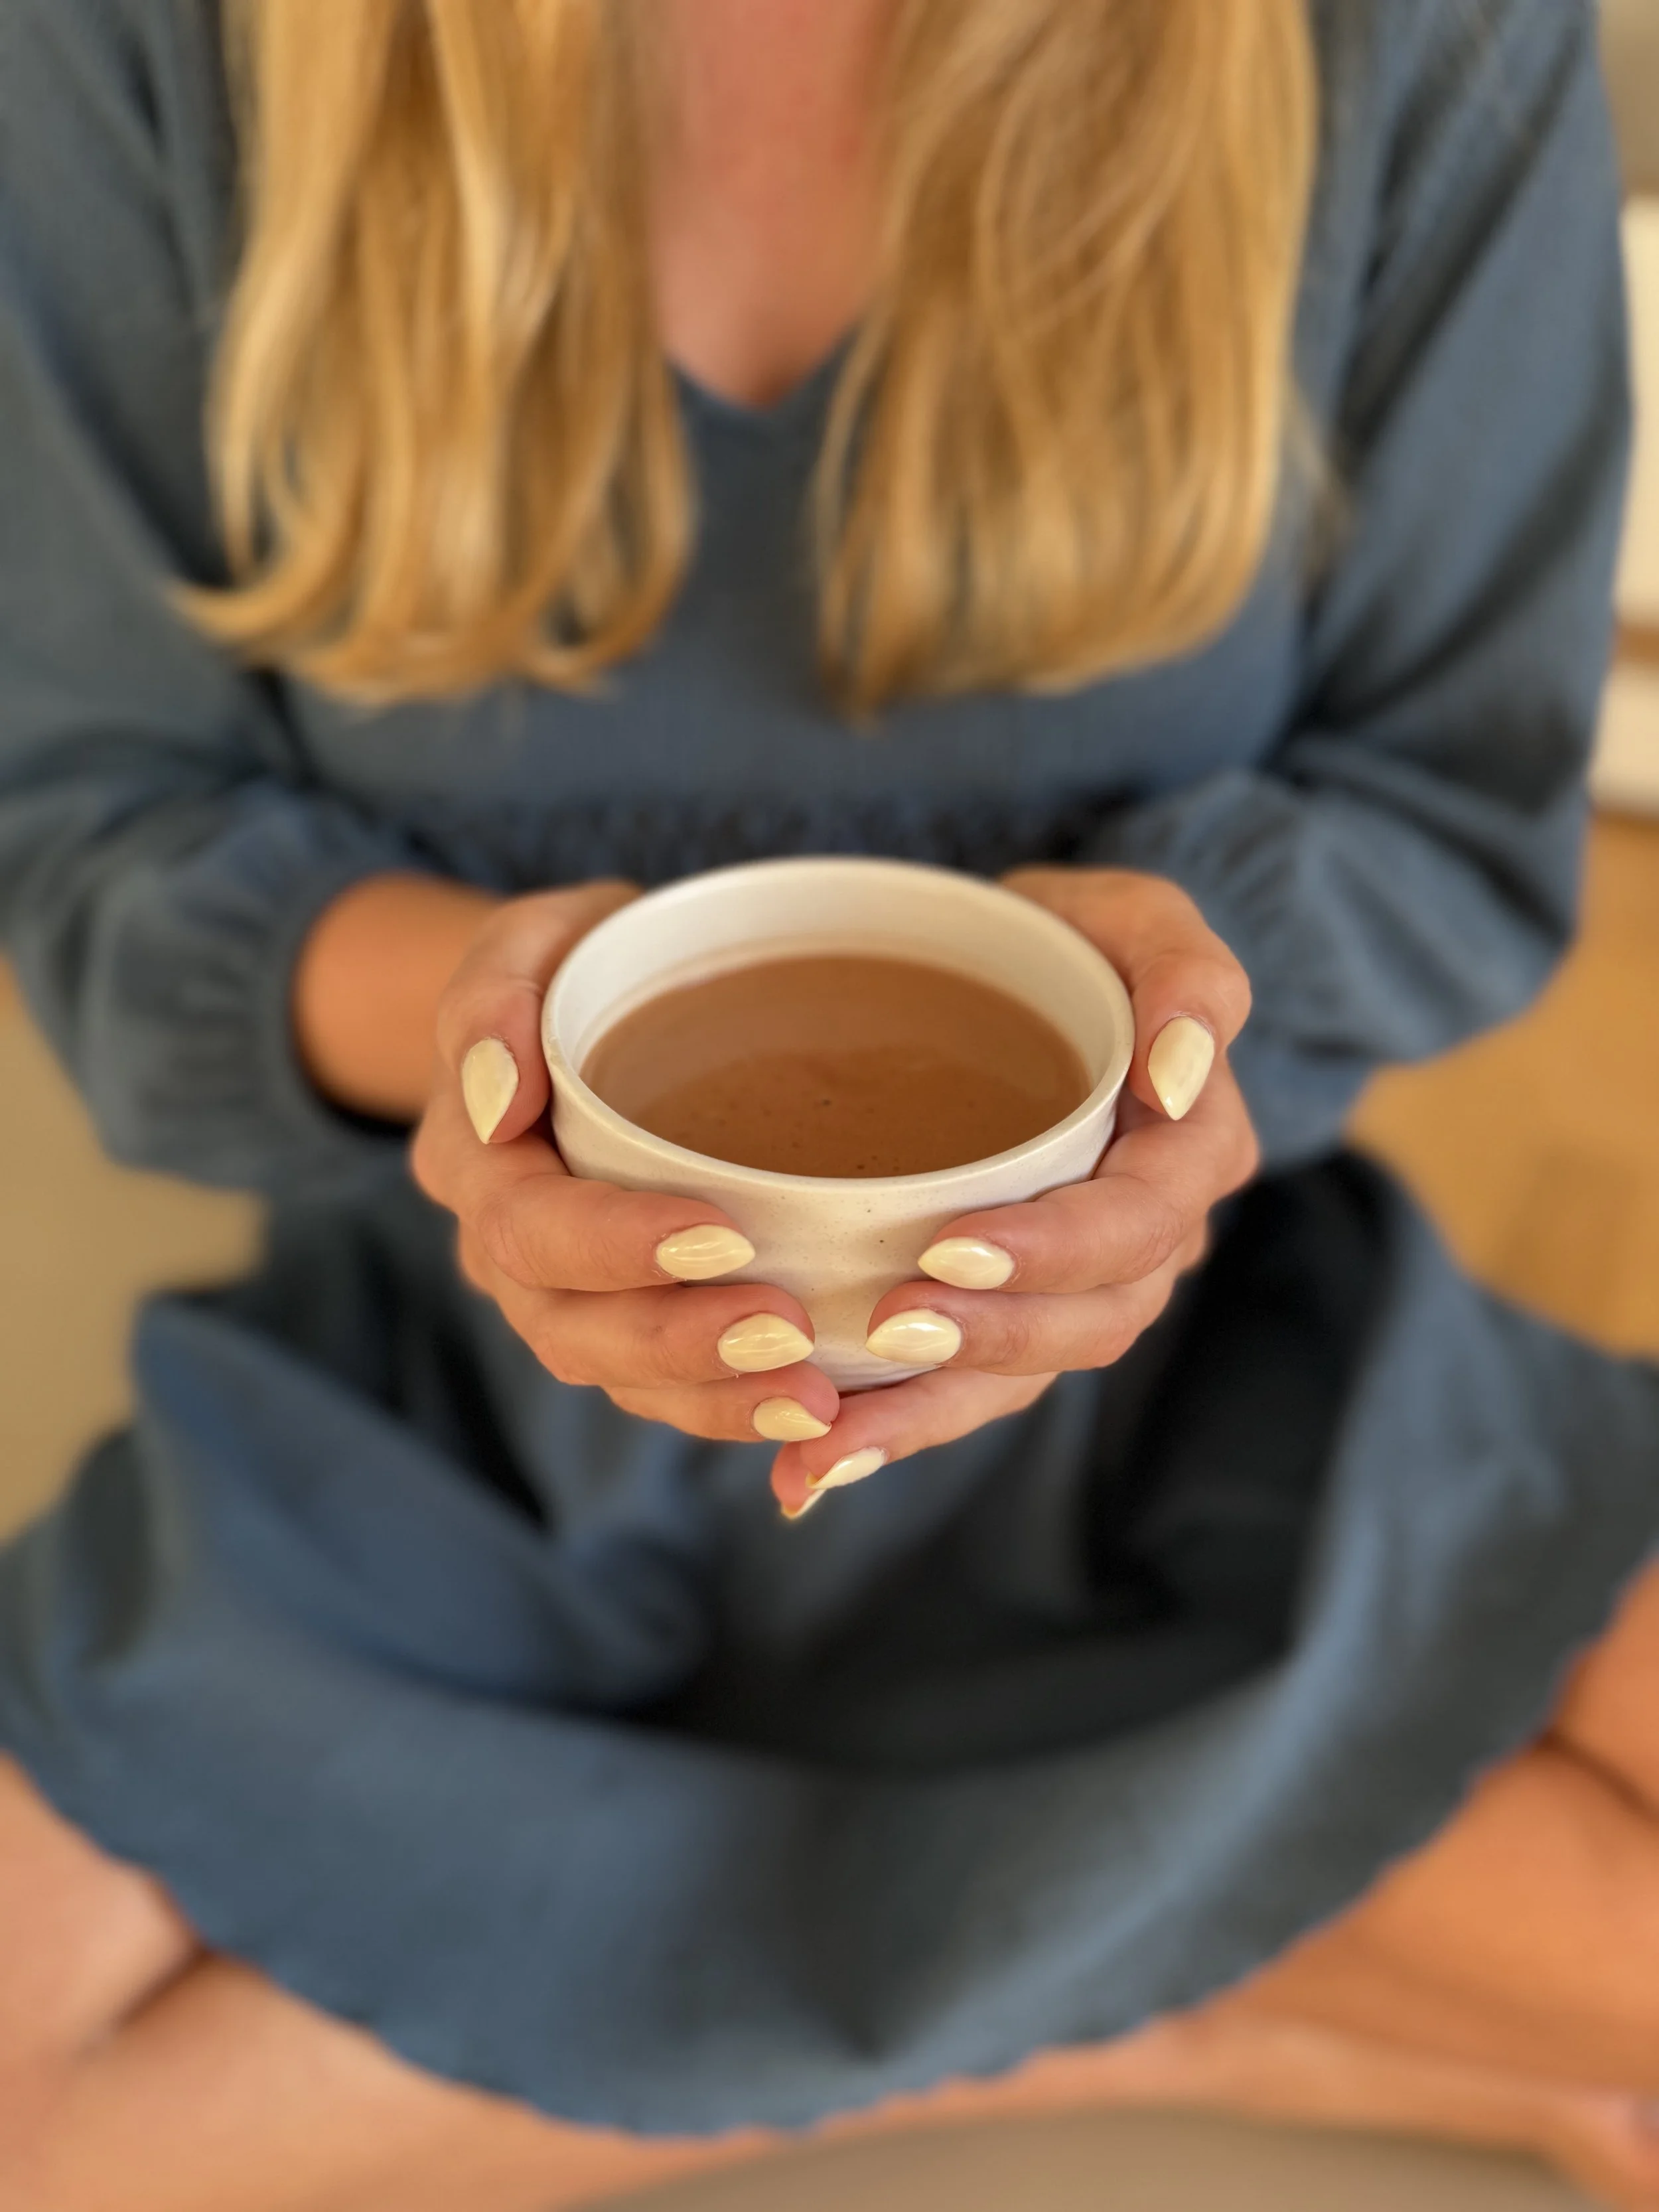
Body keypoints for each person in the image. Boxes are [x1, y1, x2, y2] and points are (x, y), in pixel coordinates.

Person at [0, 1, 1656, 2206]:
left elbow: (1449, 816)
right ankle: (1206, 2005)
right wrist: (497, 1037)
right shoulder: (136, 42)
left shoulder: (1417, 40)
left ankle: (772, 1977)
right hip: (453, 1402)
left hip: (1183, 1378)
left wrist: (1168, 1020)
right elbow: (102, 842)